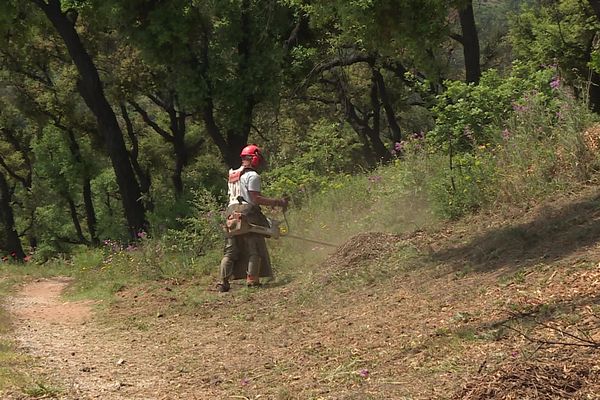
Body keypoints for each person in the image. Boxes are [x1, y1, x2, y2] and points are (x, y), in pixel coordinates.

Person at [217, 144, 288, 292]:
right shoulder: (253, 176)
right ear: (255, 158)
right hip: (248, 212)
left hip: (230, 213)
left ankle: (223, 282)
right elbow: (256, 199)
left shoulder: (232, 174)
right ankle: (252, 280)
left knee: (230, 250)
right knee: (253, 248)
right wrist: (277, 202)